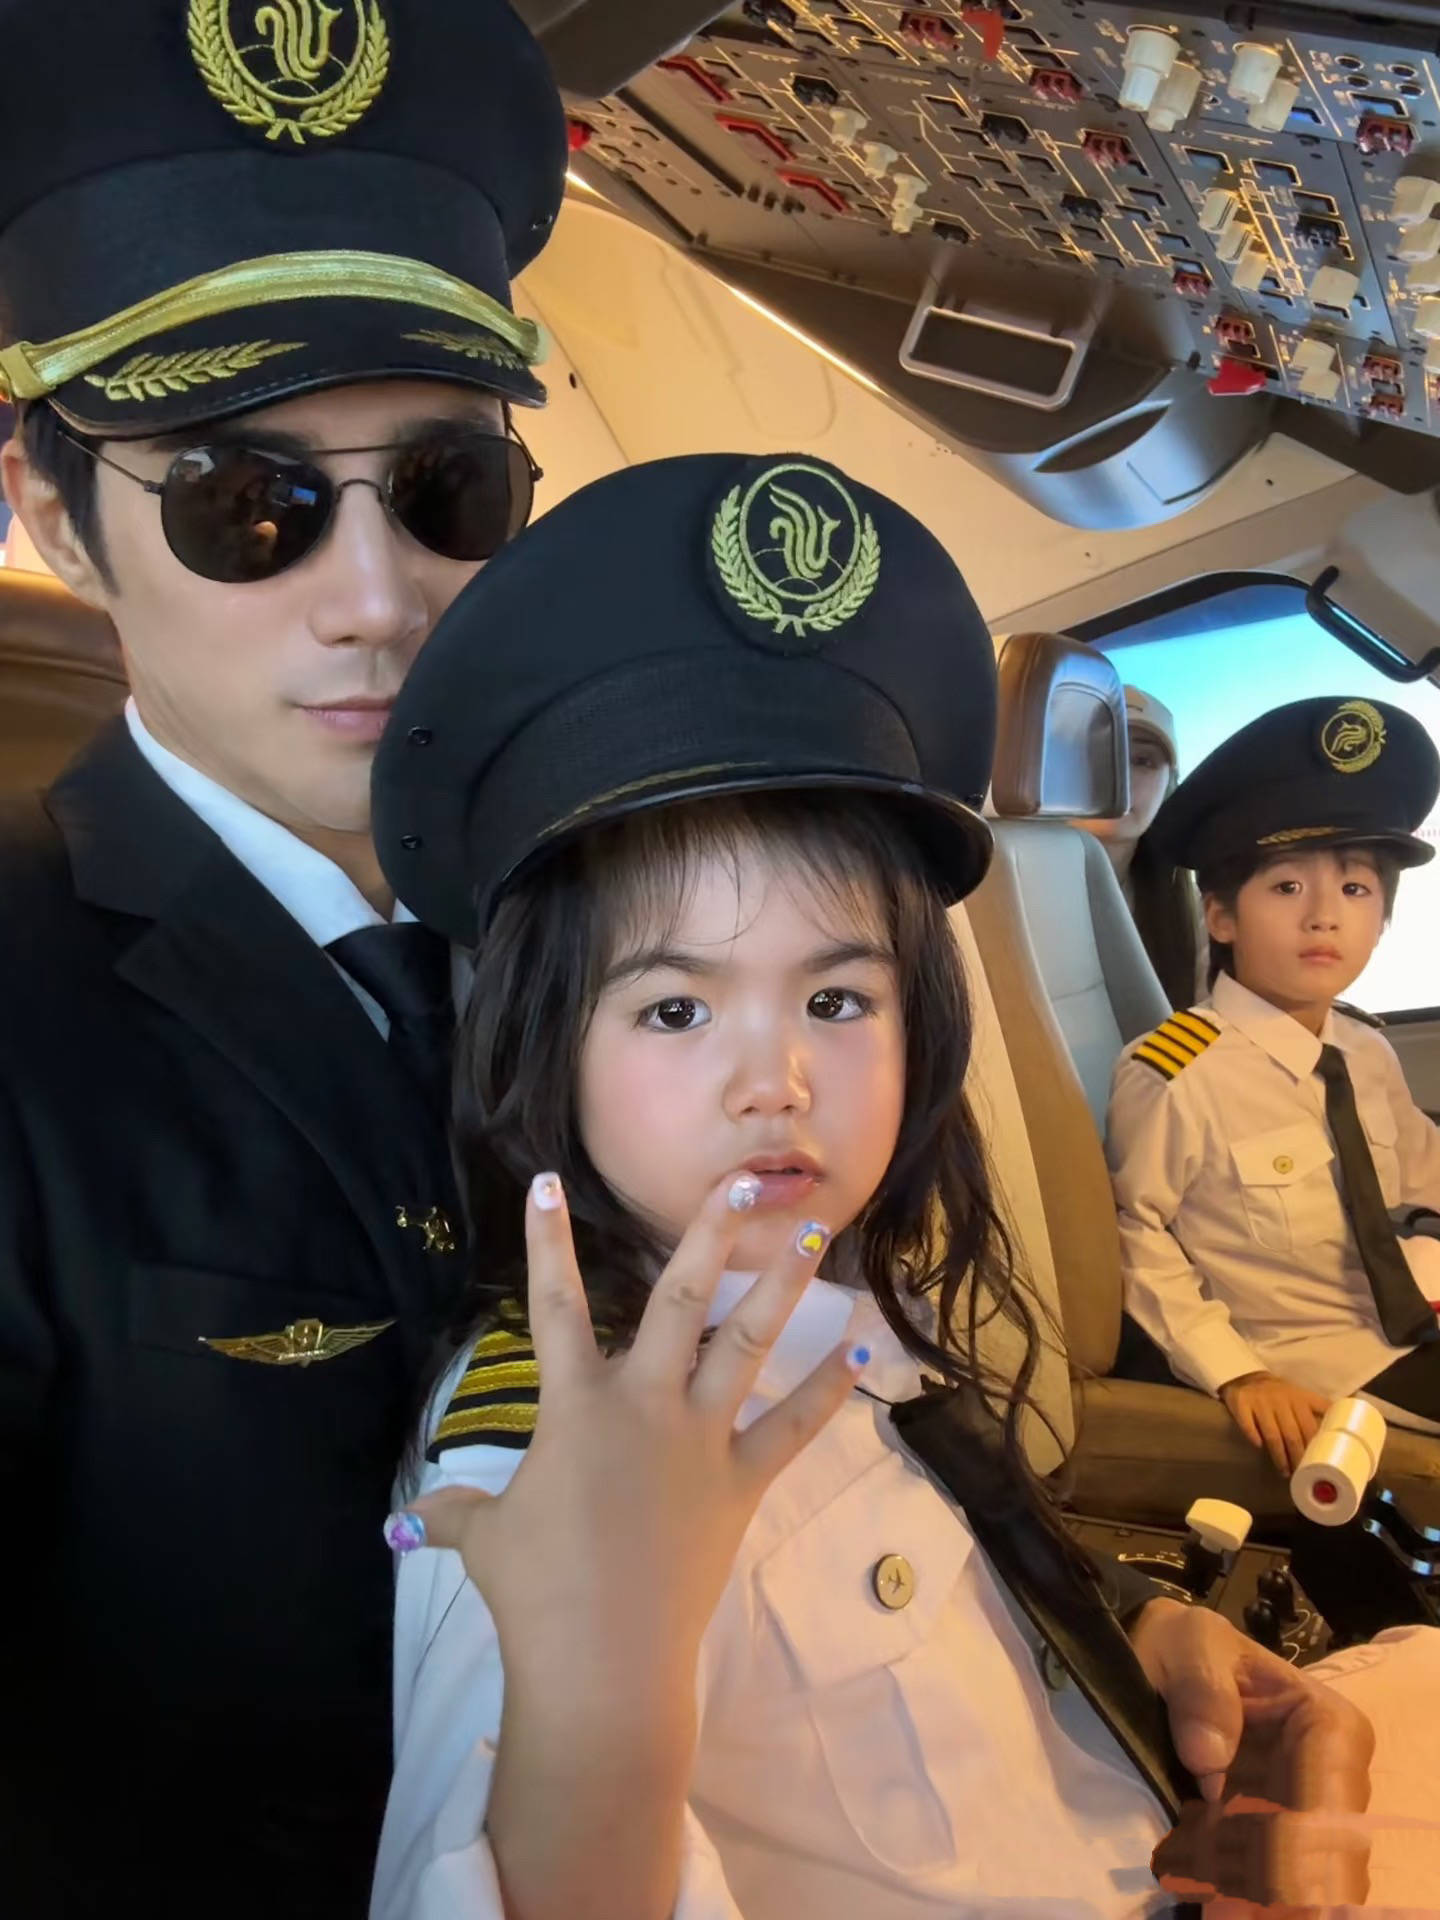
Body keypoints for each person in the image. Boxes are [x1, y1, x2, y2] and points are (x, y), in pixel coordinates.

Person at [361, 455, 1412, 1920]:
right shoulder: (551, 1469)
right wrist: (602, 1696)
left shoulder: (858, 1296)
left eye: (838, 1000)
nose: (776, 1080)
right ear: (549, 1052)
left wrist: (1129, 1640)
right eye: (675, 1009)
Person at [0, 1, 565, 1910]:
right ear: (55, 517)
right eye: (249, 503)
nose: (380, 596)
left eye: (450, 487)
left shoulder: (621, 920)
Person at [1107, 698, 1440, 1476]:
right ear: (1221, 916)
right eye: (1287, 888)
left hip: (1408, 1306)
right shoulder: (1176, 1073)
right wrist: (1238, 1372)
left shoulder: (1364, 1049)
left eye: (1356, 890)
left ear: (1383, 920)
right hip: (1319, 1355)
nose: (1324, 918)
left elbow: (1423, 1168)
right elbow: (1134, 1237)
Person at [1072, 685, 1204, 1007]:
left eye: (1143, 761)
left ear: (1168, 785)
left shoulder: (1195, 913)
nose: (1119, 778)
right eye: (1098, 754)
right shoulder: (1004, 889)